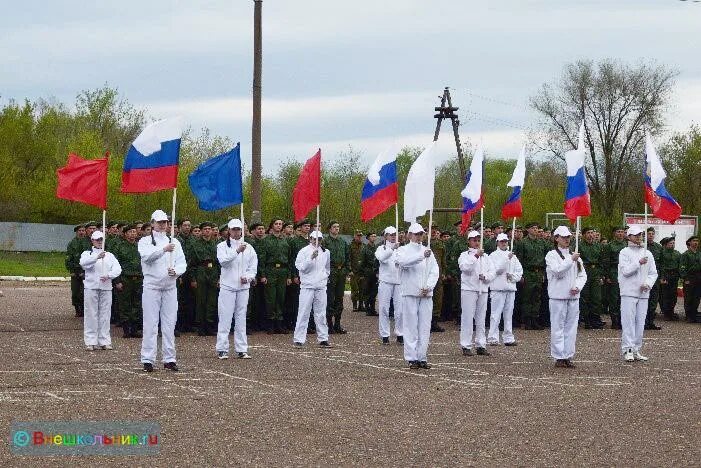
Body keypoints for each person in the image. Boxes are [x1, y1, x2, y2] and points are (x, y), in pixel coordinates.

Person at [138, 210, 187, 373]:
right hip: (152, 286)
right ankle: (147, 359)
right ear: (152, 223)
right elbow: (147, 258)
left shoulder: (175, 242)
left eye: (165, 222)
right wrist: (163, 250)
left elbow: (182, 263)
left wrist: (177, 271)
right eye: (159, 222)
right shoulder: (145, 241)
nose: (162, 225)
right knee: (151, 324)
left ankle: (169, 359)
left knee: (169, 323)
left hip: (170, 287)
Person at [397, 223, 439, 369]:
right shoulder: (403, 250)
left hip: (426, 294)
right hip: (410, 292)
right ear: (409, 235)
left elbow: (434, 271)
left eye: (421, 234)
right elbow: (403, 262)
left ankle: (422, 356)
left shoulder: (428, 251)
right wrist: (421, 256)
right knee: (410, 326)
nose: (419, 236)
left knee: (425, 326)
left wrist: (429, 286)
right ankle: (411, 357)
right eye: (416, 234)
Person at [545, 226, 586, 368]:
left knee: (571, 327)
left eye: (568, 237)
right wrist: (571, 260)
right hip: (558, 296)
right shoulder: (551, 255)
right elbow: (558, 272)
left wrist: (578, 286)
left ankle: (568, 355)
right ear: (556, 238)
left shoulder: (575, 257)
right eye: (563, 237)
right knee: (558, 327)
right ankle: (558, 356)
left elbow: (582, 275)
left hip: (573, 297)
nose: (567, 239)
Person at [216, 219, 257, 359]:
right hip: (228, 286)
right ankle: (222, 348)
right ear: (229, 230)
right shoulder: (222, 246)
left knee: (241, 318)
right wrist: (237, 251)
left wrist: (249, 277)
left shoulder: (249, 247)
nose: (236, 232)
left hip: (243, 288)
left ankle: (241, 348)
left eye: (238, 229)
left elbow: (253, 268)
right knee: (225, 317)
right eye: (233, 229)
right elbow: (224, 262)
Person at [618, 225, 658, 362]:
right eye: (635, 235)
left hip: (643, 292)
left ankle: (636, 349)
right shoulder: (624, 252)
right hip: (628, 292)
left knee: (640, 322)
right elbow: (625, 271)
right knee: (628, 321)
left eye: (640, 235)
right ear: (628, 237)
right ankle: (627, 349)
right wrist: (638, 263)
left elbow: (653, 273)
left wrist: (648, 283)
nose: (639, 237)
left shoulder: (648, 253)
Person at [79, 230, 122, 351]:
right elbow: (83, 264)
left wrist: (109, 275)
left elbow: (118, 269)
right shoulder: (87, 253)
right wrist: (96, 257)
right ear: (92, 241)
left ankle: (104, 340)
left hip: (106, 287)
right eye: (97, 240)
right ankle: (90, 341)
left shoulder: (110, 255)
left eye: (101, 239)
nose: (99, 242)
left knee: (105, 314)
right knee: (91, 314)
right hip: (91, 287)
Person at [458, 231, 496, 356]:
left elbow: (493, 272)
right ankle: (466, 345)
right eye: (474, 240)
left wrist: (485, 277)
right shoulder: (464, 255)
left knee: (481, 318)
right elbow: (465, 268)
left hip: (483, 289)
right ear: (469, 241)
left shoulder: (487, 257)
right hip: (469, 289)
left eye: (478, 240)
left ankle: (481, 344)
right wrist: (475, 256)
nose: (476, 242)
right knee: (467, 318)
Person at [293, 230, 332, 347]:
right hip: (307, 286)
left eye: (319, 239)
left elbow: (327, 267)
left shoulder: (326, 252)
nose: (317, 241)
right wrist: (310, 258)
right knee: (304, 312)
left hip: (320, 286)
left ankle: (323, 338)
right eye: (314, 239)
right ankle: (299, 338)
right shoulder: (304, 251)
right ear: (310, 239)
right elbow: (301, 267)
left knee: (321, 313)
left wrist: (324, 277)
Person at [487, 233, 523, 346]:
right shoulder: (493, 255)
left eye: (505, 241)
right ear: (497, 242)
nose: (504, 243)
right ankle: (493, 337)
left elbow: (519, 271)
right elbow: (497, 270)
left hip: (510, 288)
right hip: (497, 288)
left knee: (508, 314)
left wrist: (513, 277)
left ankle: (508, 337)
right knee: (495, 314)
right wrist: (507, 259)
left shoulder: (513, 256)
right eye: (502, 241)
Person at [259, 218, 292, 333]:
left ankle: (279, 322)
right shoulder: (266, 240)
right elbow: (262, 259)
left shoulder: (286, 240)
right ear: (272, 226)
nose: (278, 226)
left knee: (281, 297)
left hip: (283, 270)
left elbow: (290, 259)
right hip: (270, 270)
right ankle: (271, 323)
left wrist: (289, 276)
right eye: (276, 224)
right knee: (270, 298)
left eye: (280, 224)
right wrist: (262, 275)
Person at [514, 222, 548, 330]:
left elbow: (545, 259)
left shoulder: (542, 243)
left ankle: (535, 319)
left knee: (537, 297)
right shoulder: (523, 243)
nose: (535, 230)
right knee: (527, 297)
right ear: (528, 230)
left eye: (537, 228)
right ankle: (527, 320)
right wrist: (521, 274)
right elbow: (519, 259)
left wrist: (544, 274)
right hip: (528, 271)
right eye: (533, 228)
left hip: (539, 272)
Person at [189, 222, 220, 336]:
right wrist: (193, 279)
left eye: (209, 229)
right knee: (201, 300)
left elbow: (220, 263)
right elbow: (191, 264)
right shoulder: (195, 244)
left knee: (212, 301)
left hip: (214, 271)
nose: (207, 231)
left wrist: (219, 277)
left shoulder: (217, 244)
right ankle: (201, 326)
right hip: (201, 271)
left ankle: (210, 326)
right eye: (205, 229)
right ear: (201, 231)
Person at [113, 224, 143, 338]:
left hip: (138, 279)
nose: (132, 234)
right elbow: (115, 265)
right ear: (125, 234)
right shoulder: (119, 247)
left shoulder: (140, 246)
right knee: (125, 304)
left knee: (137, 303)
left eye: (134, 232)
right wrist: (117, 281)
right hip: (125, 279)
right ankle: (126, 329)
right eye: (130, 232)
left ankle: (134, 329)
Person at [375, 226, 403, 344]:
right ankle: (385, 335)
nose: (393, 236)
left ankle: (400, 333)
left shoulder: (401, 249)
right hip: (385, 281)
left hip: (399, 282)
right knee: (384, 309)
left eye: (394, 234)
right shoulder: (381, 248)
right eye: (391, 234)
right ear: (385, 236)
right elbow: (381, 258)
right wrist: (391, 249)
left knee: (400, 310)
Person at [324, 221, 350, 333]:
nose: (336, 229)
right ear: (329, 229)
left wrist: (347, 270)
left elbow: (347, 257)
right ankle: (329, 324)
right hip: (331, 270)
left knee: (339, 298)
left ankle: (337, 324)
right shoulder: (325, 242)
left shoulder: (343, 242)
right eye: (334, 227)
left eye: (338, 227)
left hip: (341, 271)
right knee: (330, 298)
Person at [579, 227, 605, 329]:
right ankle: (586, 320)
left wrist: (601, 275)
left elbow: (602, 261)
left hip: (595, 272)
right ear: (584, 235)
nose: (591, 235)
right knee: (585, 296)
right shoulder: (579, 246)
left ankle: (595, 318)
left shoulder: (598, 246)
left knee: (596, 297)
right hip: (585, 271)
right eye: (588, 233)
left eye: (592, 233)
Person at [602, 226, 627, 329]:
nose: (620, 234)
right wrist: (607, 276)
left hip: (626, 271)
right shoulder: (609, 246)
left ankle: (623, 320)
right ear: (614, 233)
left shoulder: (627, 245)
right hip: (614, 271)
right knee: (614, 298)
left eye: (622, 232)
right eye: (618, 232)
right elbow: (606, 261)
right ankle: (615, 321)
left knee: (624, 297)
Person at [644, 227, 663, 330]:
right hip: (643, 276)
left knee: (653, 301)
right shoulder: (642, 246)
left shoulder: (658, 247)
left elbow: (661, 263)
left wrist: (662, 277)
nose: (651, 235)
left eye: (652, 234)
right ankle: (643, 322)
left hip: (654, 277)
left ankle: (651, 322)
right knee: (643, 299)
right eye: (649, 233)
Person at [65, 224, 86, 317]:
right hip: (75, 270)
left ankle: (84, 310)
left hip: (85, 271)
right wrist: (72, 270)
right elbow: (68, 258)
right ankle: (77, 309)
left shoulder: (87, 243)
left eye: (83, 230)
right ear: (76, 232)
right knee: (75, 292)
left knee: (84, 292)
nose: (81, 232)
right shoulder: (72, 243)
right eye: (79, 231)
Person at [658, 237, 681, 321]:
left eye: (673, 243)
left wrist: (680, 276)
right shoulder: (662, 253)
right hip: (666, 275)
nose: (672, 245)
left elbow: (680, 265)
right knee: (665, 295)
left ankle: (671, 312)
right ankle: (666, 313)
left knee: (673, 295)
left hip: (674, 276)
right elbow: (661, 266)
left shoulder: (677, 253)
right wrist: (662, 277)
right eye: (670, 243)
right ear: (666, 245)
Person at [680, 235, 701, 323]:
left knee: (696, 298)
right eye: (694, 241)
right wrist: (685, 278)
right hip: (689, 277)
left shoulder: (699, 254)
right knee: (689, 297)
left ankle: (694, 314)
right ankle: (688, 315)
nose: (696, 242)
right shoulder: (686, 254)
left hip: (699, 277)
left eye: (697, 241)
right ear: (690, 242)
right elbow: (682, 267)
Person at [360, 232, 379, 316]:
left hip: (375, 273)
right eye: (372, 236)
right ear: (368, 238)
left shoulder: (377, 248)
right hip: (367, 272)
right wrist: (363, 273)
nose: (374, 238)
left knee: (374, 291)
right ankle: (367, 308)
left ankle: (373, 308)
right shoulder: (364, 248)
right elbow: (362, 262)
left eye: (375, 236)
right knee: (367, 291)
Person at [349, 230, 365, 311]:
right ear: (354, 236)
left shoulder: (363, 246)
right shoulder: (350, 246)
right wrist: (350, 270)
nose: (359, 237)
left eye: (360, 236)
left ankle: (361, 305)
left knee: (362, 289)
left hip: (361, 271)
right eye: (358, 235)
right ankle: (354, 305)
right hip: (354, 272)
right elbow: (348, 258)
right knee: (355, 290)